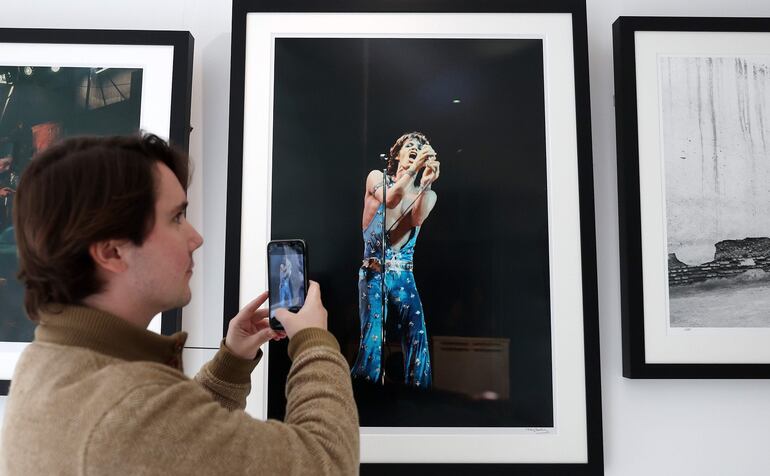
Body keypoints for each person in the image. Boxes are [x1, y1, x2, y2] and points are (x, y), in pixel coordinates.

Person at [0, 134, 359, 475]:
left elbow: (168, 450)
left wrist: (230, 365)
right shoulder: (126, 410)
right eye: (176, 217)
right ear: (111, 251)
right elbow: (324, 463)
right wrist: (313, 343)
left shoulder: (53, 366)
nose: (196, 238)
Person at [350, 131, 440, 388]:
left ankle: (420, 396)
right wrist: (411, 172)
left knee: (417, 333)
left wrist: (427, 183)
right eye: (410, 146)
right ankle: (367, 391)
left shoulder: (427, 194)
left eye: (421, 147)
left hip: (404, 273)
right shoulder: (377, 178)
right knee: (374, 335)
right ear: (397, 154)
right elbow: (391, 199)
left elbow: (417, 219)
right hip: (374, 270)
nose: (416, 149)